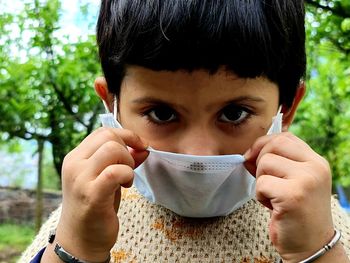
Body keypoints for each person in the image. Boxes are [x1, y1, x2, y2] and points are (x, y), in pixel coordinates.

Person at [20, 0, 350, 262]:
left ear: (287, 108)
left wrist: (318, 252)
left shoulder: (323, 226)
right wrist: (75, 248)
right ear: (112, 105)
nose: (197, 154)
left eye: (233, 113)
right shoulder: (84, 217)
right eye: (162, 113)